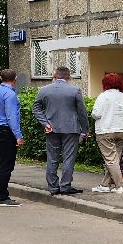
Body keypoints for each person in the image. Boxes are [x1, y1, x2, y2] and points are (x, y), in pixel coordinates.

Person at [32, 65, 89, 195]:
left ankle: (53, 187)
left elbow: (36, 108)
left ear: (54, 75)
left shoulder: (44, 90)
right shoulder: (75, 90)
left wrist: (45, 123)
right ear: (69, 77)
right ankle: (65, 186)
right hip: (71, 128)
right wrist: (85, 129)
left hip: (51, 128)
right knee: (69, 158)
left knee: (52, 158)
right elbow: (82, 113)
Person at [0, 67, 25, 207]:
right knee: (6, 164)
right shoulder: (10, 95)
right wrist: (18, 136)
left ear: (1, 78)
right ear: (15, 80)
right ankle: (2, 197)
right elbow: (11, 117)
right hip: (5, 131)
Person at [90, 73, 123, 194]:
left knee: (110, 160)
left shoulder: (103, 96)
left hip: (105, 130)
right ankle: (104, 185)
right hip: (122, 131)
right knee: (114, 160)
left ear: (105, 84)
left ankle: (119, 186)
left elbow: (96, 114)